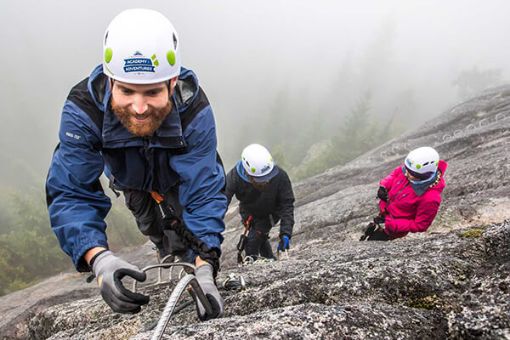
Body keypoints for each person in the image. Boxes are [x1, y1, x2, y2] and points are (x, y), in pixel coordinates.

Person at [45, 9, 226, 319]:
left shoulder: (193, 109)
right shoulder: (84, 109)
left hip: (176, 179)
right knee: (149, 224)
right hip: (128, 180)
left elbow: (204, 191)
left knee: (182, 227)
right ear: (110, 80)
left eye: (152, 92)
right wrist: (98, 258)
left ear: (172, 82)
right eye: (127, 91)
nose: (139, 108)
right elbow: (71, 189)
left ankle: (183, 255)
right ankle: (162, 246)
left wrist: (206, 266)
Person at [225, 144, 295, 261]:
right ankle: (270, 260)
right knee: (258, 237)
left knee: (253, 241)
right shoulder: (234, 178)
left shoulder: (280, 176)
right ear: (248, 174)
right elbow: (221, 201)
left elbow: (287, 205)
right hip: (248, 212)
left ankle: (254, 267)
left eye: (268, 177)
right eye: (260, 179)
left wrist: (285, 234)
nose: (266, 181)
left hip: (271, 212)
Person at [362, 146, 447, 241]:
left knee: (373, 242)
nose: (406, 174)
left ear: (424, 175)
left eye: (411, 173)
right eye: (406, 169)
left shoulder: (430, 198)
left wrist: (390, 225)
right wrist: (384, 186)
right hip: (384, 214)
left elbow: (421, 225)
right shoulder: (410, 170)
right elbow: (395, 174)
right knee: (368, 233)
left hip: (392, 229)